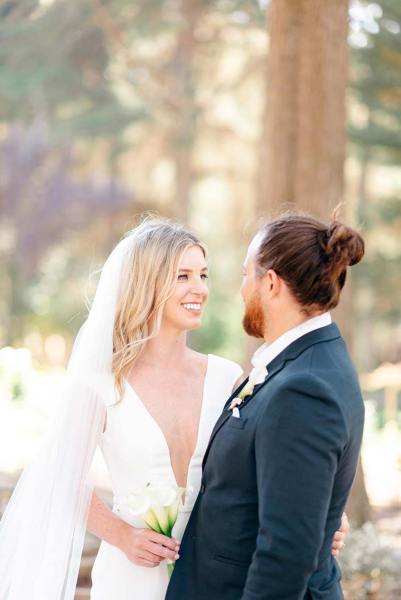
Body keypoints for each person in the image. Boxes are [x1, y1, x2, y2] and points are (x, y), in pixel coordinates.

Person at [0, 217, 348, 600]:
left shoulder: (228, 378)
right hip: (132, 578)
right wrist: (122, 535)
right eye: (182, 276)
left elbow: (278, 462)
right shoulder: (101, 384)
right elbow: (60, 479)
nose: (199, 288)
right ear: (148, 283)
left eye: (203, 274)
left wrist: (321, 514)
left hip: (214, 575)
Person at [166, 211, 365, 600]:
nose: (242, 289)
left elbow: (286, 554)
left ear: (270, 283)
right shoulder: (306, 363)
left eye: (246, 275)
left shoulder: (303, 389)